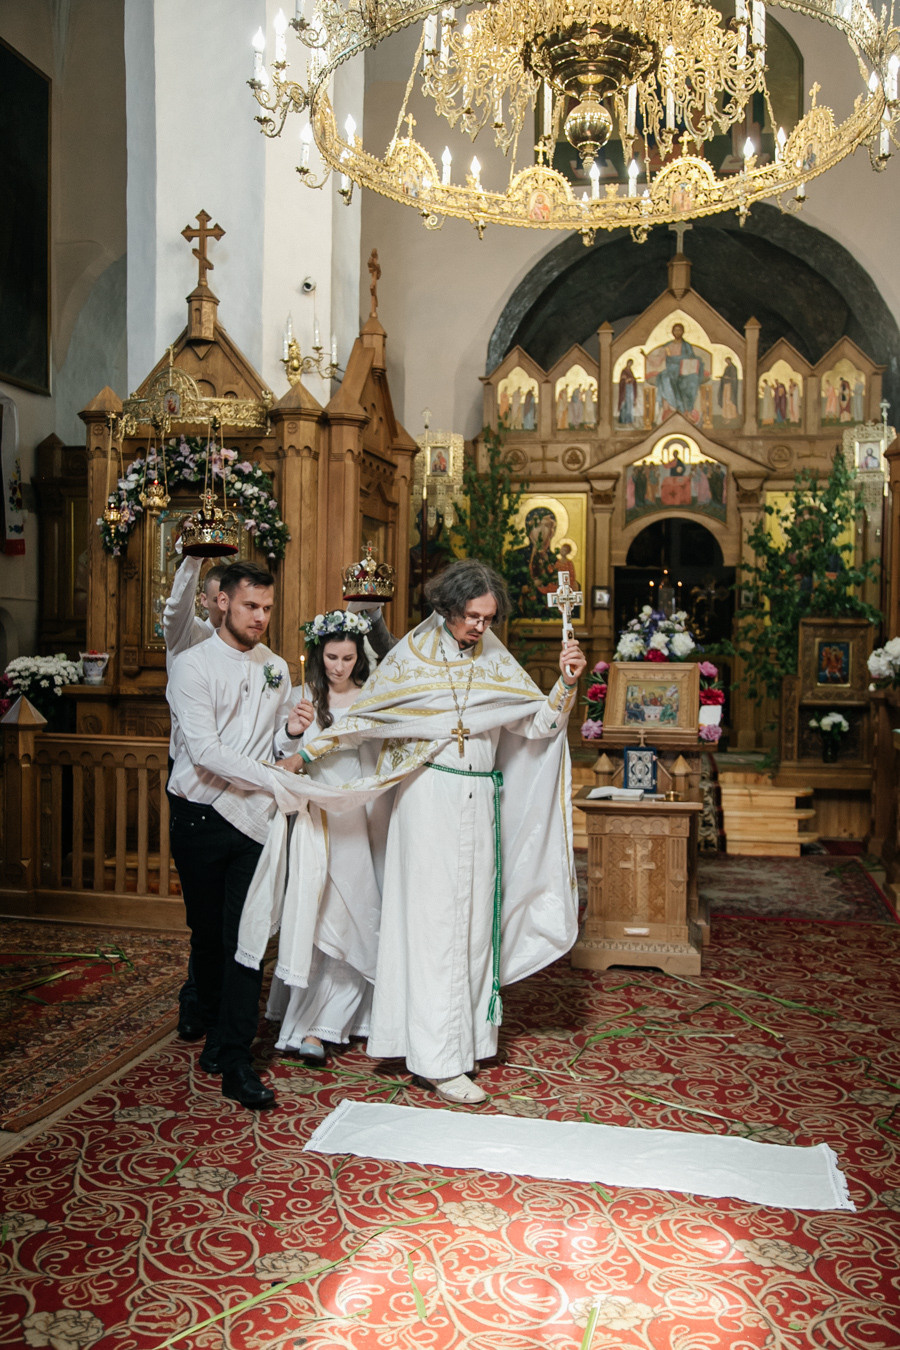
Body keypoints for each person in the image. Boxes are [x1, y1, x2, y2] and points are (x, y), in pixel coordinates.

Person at [298, 559, 587, 1105]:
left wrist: (565, 685)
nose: (482, 627)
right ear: (449, 609)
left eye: (489, 617)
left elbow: (538, 724)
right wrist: (308, 751)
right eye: (474, 617)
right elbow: (369, 718)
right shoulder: (410, 656)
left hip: (479, 802)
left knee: (474, 922)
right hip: (426, 802)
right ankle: (435, 1059)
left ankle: (465, 1040)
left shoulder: (494, 655)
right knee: (432, 927)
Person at [166, 560, 304, 1110]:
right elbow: (205, 751)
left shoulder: (275, 667)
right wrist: (274, 771)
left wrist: (287, 734)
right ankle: (203, 1003)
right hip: (199, 814)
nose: (261, 618)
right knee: (207, 931)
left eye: (268, 608)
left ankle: (233, 1055)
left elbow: (270, 741)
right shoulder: (193, 665)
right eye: (252, 606)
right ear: (223, 602)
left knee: (246, 938)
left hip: (254, 820)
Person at [266, 610, 383, 1062]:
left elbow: (369, 746)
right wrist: (293, 731)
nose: (339, 667)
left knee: (353, 908)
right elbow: (283, 753)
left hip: (355, 811)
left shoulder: (370, 697)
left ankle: (331, 1022)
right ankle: (308, 1020)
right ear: (319, 655)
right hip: (314, 814)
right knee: (314, 912)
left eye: (348, 658)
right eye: (332, 657)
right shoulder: (304, 696)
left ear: (359, 656)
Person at [162, 556, 229, 1042]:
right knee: (203, 911)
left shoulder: (256, 655)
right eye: (218, 595)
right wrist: (193, 557)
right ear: (208, 600)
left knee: (232, 908)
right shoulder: (190, 638)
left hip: (240, 785)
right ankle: (197, 996)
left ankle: (223, 1000)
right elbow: (175, 611)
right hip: (194, 782)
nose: (225, 603)